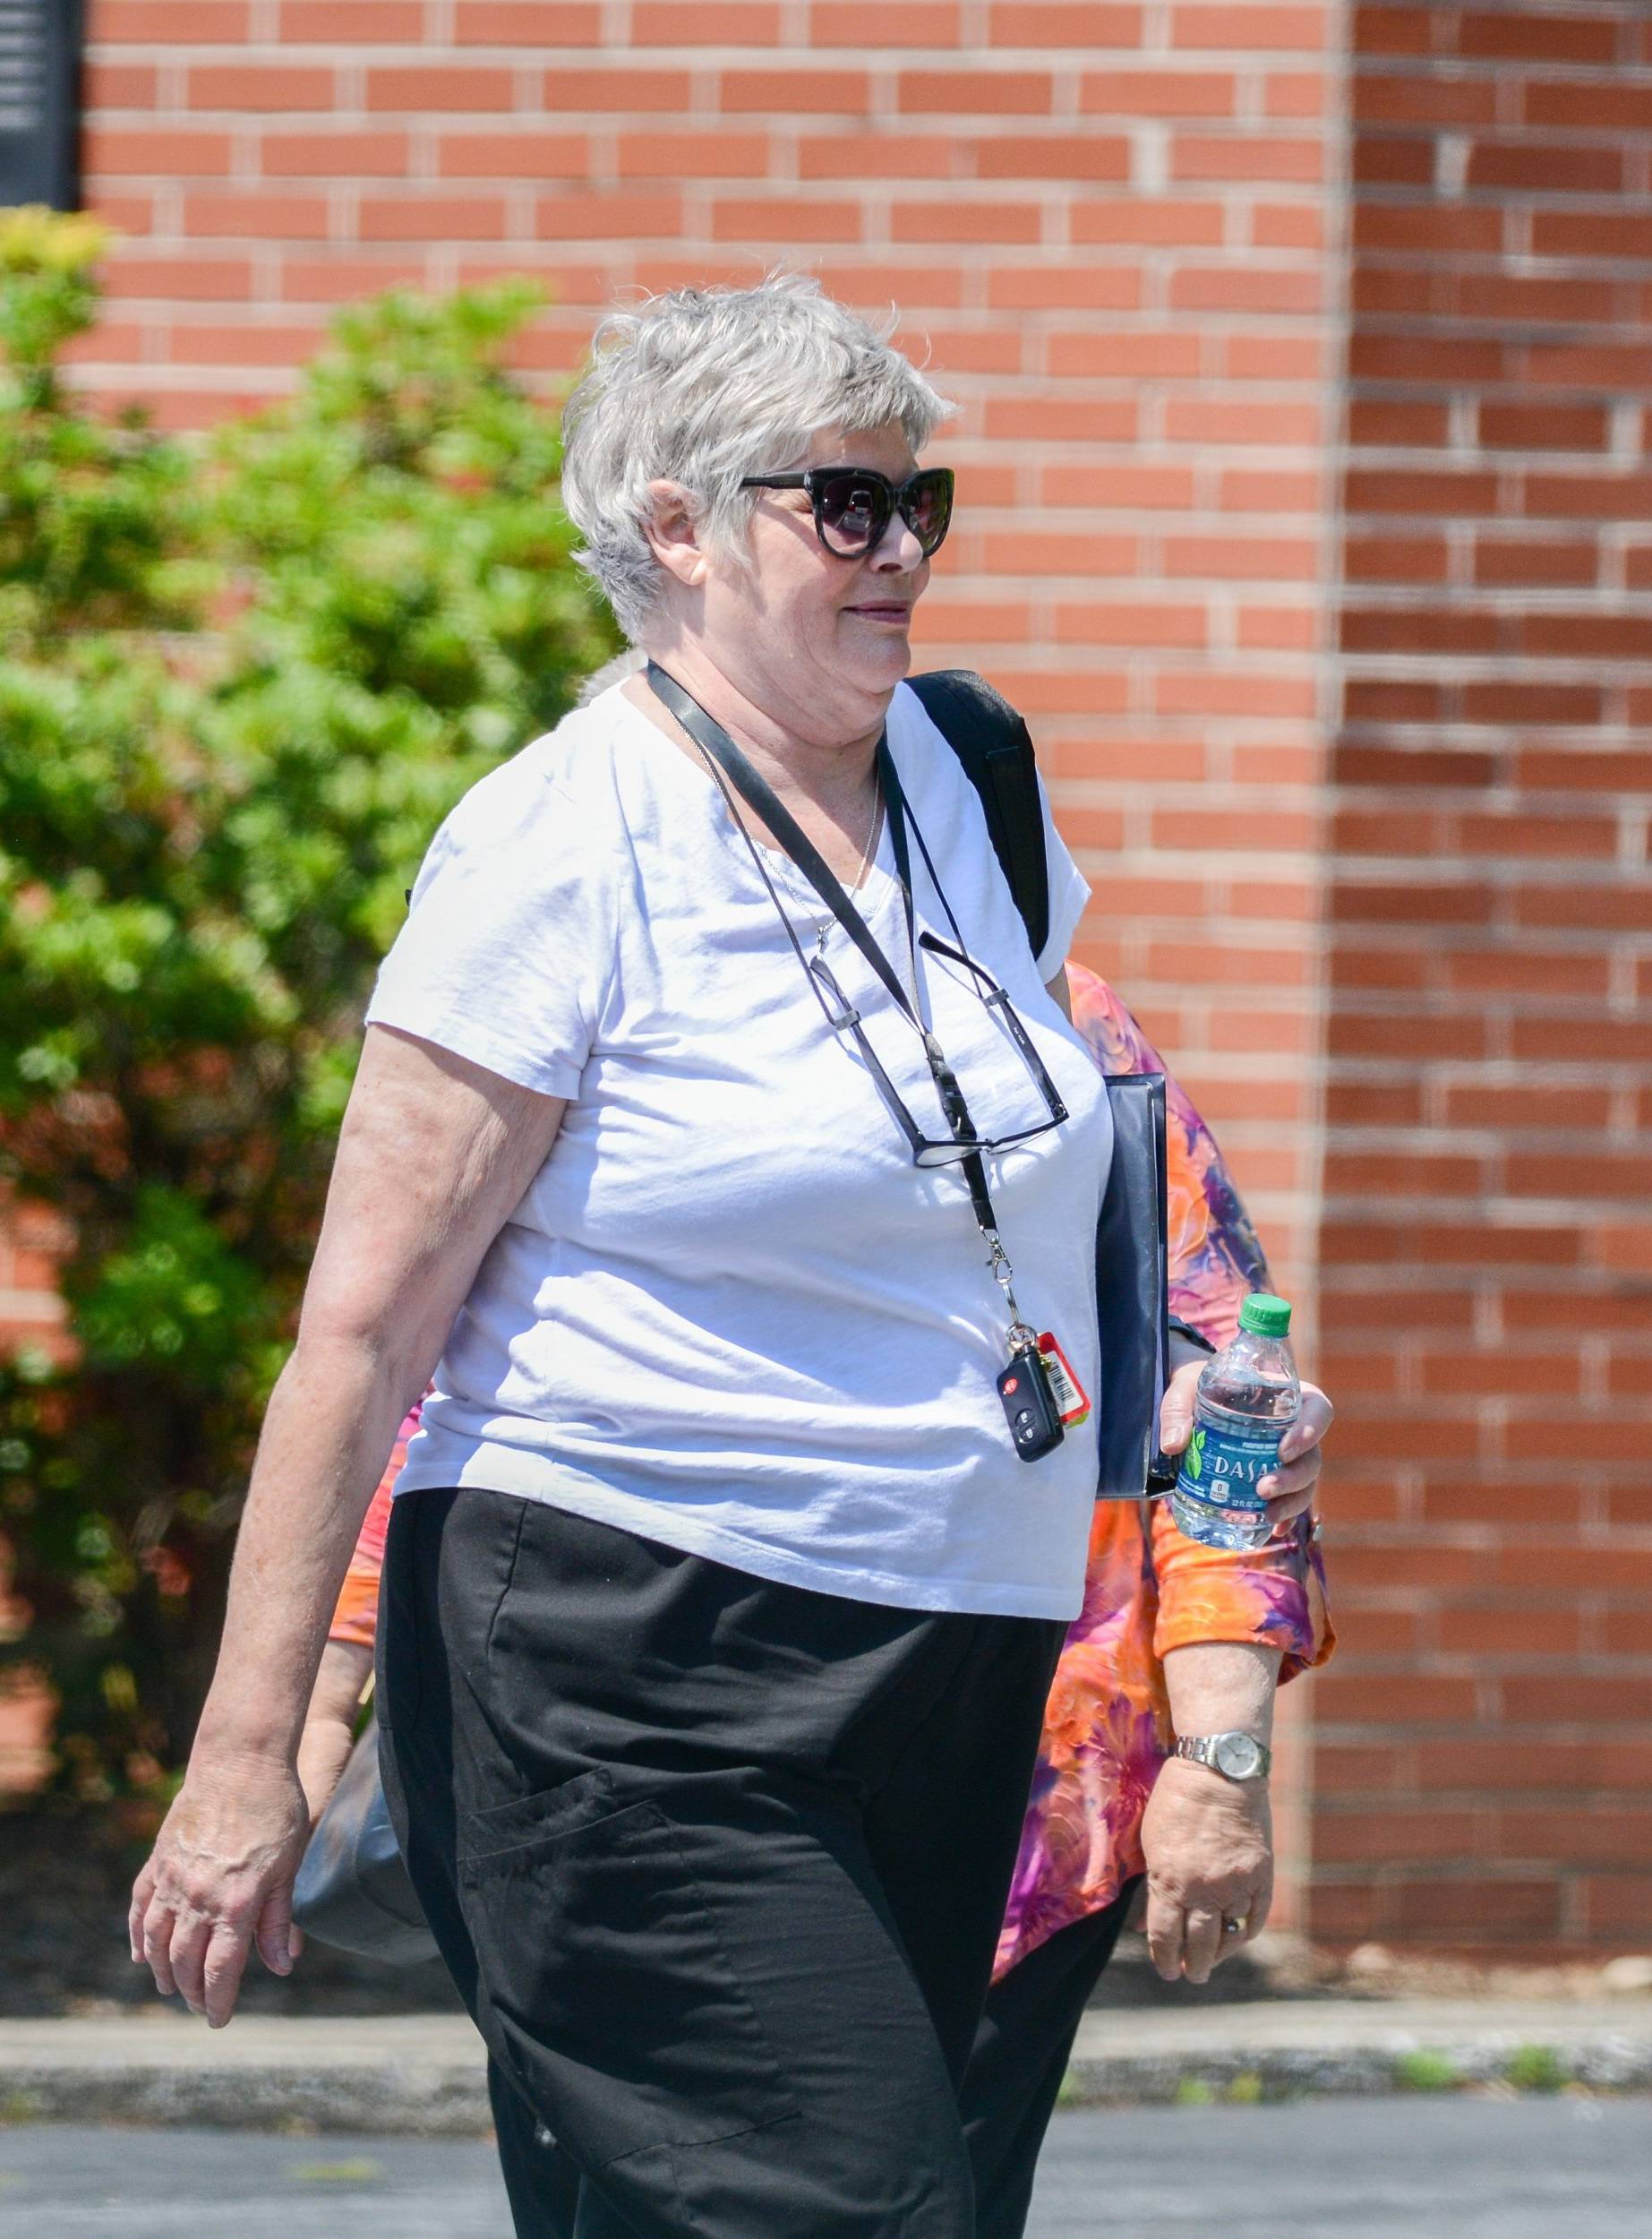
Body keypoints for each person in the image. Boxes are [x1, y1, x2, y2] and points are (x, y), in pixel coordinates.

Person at [131, 275, 1331, 2239]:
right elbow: (359, 1338)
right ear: (674, 529)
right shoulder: (556, 846)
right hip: (630, 1663)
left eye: (920, 498)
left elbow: (980, 1207)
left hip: (955, 1662)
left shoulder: (972, 784)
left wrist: (1181, 1397)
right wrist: (251, 1755)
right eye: (841, 505)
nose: (904, 549)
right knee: (863, 2210)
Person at [300, 959, 1333, 2239]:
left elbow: (1229, 1391)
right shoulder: (629, 984)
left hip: (1018, 1779)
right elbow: (456, 1386)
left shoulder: (1060, 1029)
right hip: (621, 1731)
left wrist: (1222, 1758)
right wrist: (311, 1706)